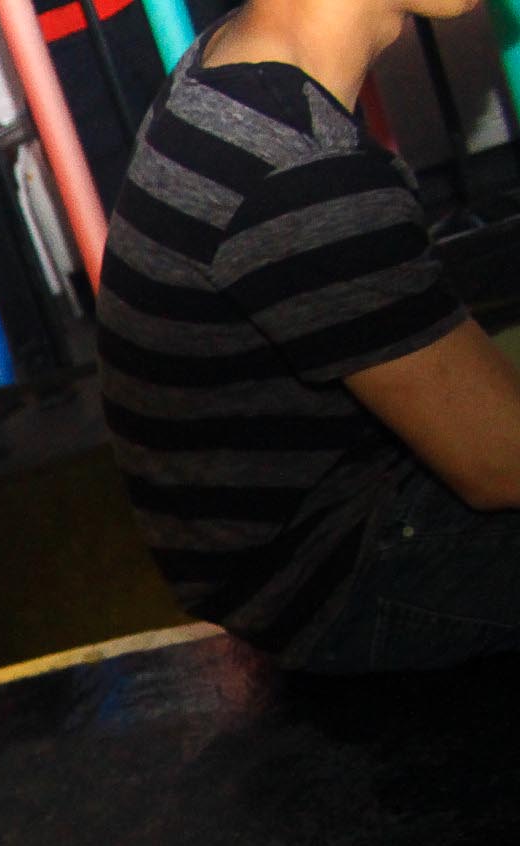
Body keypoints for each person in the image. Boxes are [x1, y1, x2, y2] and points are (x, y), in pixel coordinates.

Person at [99, 0, 520, 671]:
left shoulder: (231, 63)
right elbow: (500, 465)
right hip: (341, 578)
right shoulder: (296, 166)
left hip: (295, 545)